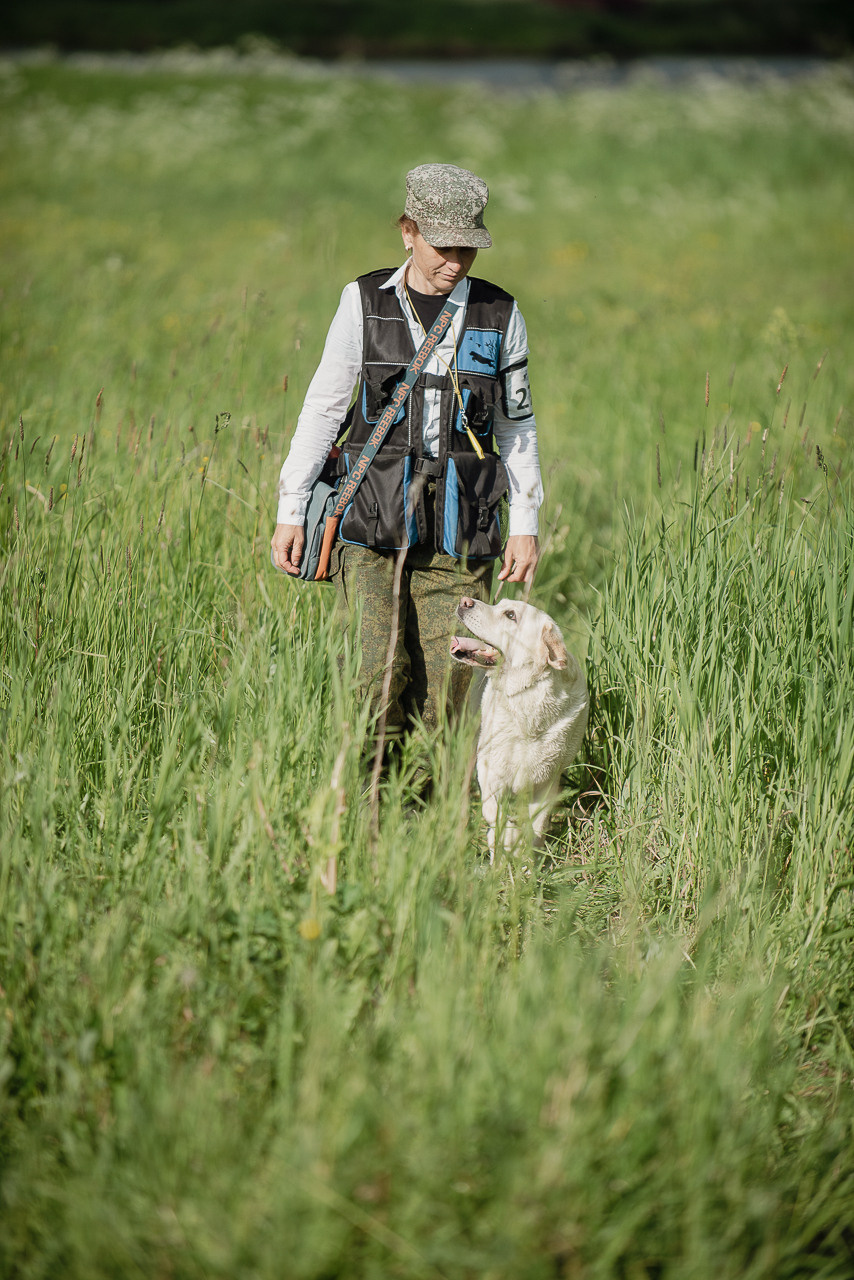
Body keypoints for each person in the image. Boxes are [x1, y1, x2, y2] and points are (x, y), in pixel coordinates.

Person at [271, 163, 543, 744]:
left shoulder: (501, 316)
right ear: (408, 231)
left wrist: (526, 524)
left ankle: (424, 824)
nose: (455, 261)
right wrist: (291, 509)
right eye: (442, 246)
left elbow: (516, 427)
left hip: (461, 530)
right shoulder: (363, 301)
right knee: (374, 674)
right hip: (369, 521)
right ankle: (366, 816)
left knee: (450, 687)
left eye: (468, 249)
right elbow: (323, 407)